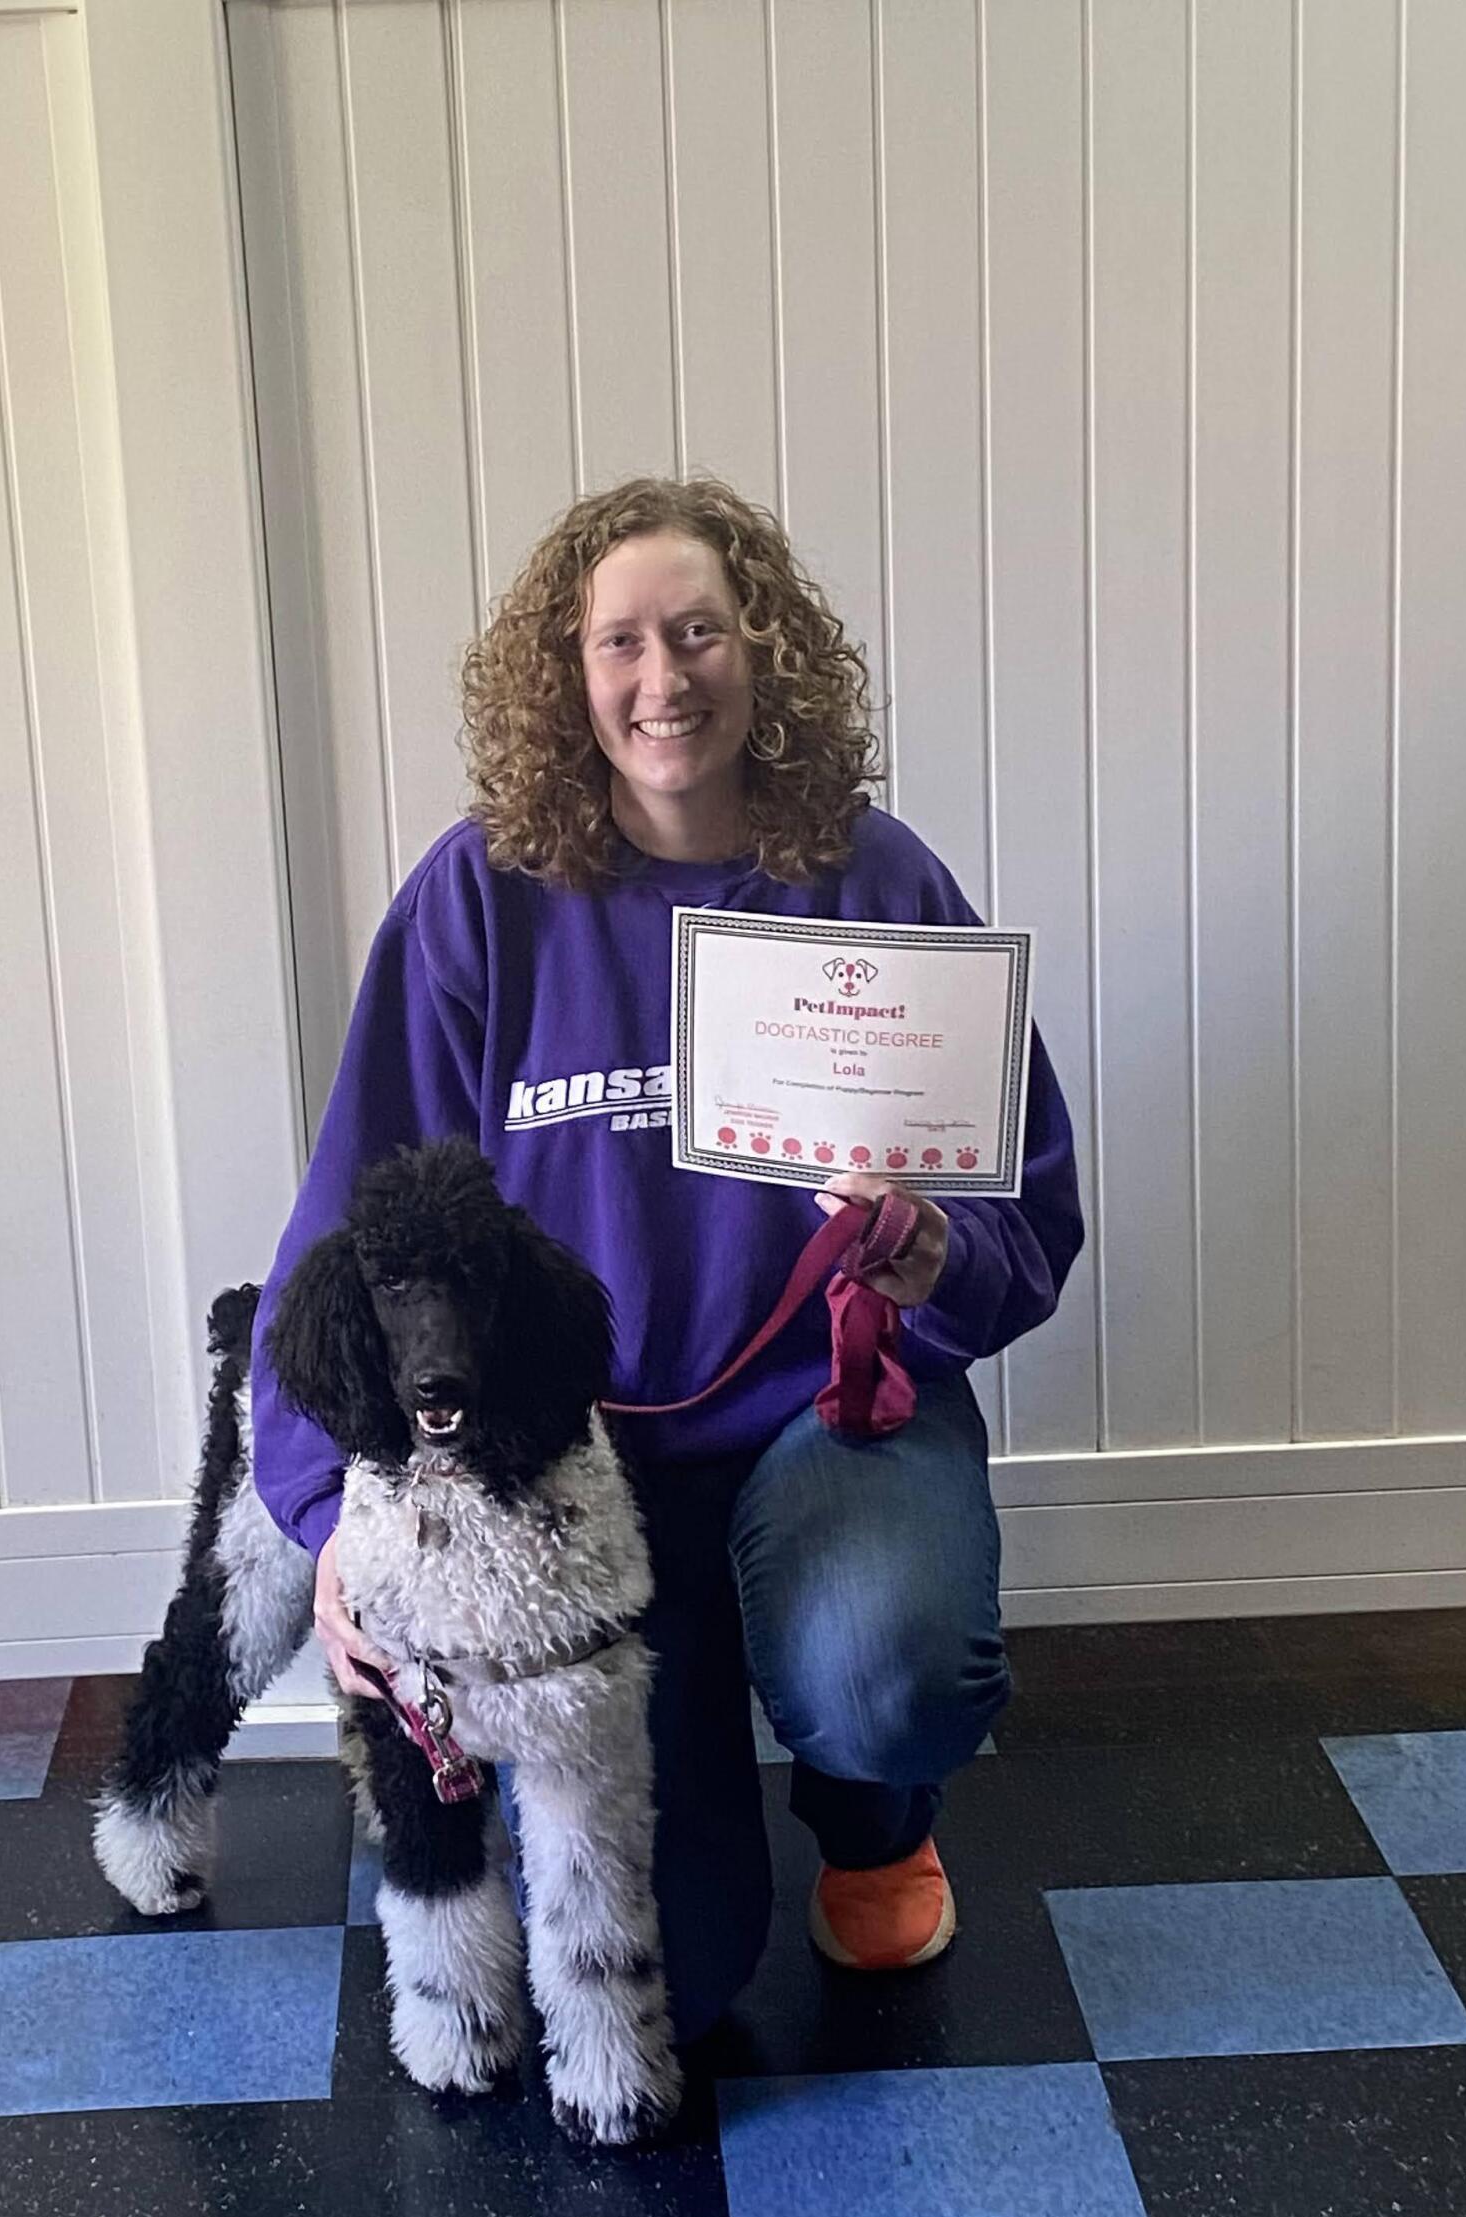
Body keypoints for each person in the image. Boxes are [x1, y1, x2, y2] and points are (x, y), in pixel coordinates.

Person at [248, 475, 1083, 2044]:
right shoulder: (475, 904)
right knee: (674, 1983)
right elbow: (351, 1235)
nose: (662, 676)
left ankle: (877, 1823)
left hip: (826, 1423)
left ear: (764, 653)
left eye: (699, 631)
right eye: (619, 640)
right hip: (564, 1478)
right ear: (567, 676)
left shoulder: (875, 882)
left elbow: (1031, 1213)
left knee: (889, 1668)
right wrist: (325, 1525)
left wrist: (935, 1259)